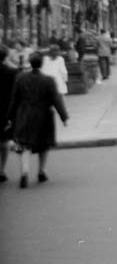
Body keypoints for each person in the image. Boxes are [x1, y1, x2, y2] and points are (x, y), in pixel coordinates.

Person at [7, 52, 69, 188]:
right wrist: (64, 117)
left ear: (30, 63)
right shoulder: (49, 80)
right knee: (44, 144)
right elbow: (56, 100)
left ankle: (24, 172)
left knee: (24, 145)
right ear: (41, 63)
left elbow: (14, 99)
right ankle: (41, 171)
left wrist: (10, 116)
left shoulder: (20, 78)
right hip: (43, 114)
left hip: (24, 114)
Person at [0, 46, 18, 183]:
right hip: (5, 110)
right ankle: (2, 169)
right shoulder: (12, 72)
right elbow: (16, 94)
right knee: (4, 141)